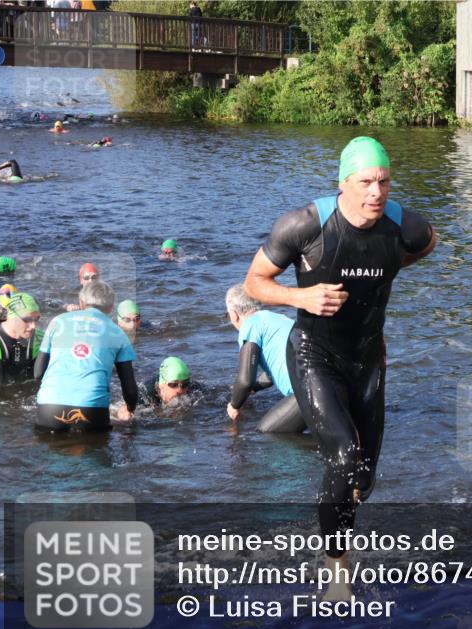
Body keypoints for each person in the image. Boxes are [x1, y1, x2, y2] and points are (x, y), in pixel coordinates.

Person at [244, 136, 436, 600]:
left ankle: (336, 515)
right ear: (343, 183)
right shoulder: (304, 225)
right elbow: (254, 282)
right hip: (314, 352)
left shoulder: (404, 226)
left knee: (363, 479)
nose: (377, 192)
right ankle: (337, 572)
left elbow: (428, 243)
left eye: (384, 182)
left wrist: (391, 267)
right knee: (345, 456)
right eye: (366, 182)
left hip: (368, 359)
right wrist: (299, 296)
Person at [35, 280, 138, 432]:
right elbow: (129, 388)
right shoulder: (118, 333)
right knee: (93, 452)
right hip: (92, 411)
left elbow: (38, 373)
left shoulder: (57, 322)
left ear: (81, 303)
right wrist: (130, 409)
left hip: (48, 407)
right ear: (110, 308)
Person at [225, 284, 304, 433]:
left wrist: (234, 406)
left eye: (227, 315)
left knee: (266, 433)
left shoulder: (249, 325)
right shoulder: (278, 318)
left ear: (234, 314)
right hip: (322, 382)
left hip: (304, 392)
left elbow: (245, 381)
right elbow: (274, 369)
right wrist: (255, 387)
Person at [0, 292, 44, 385]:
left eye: (36, 319)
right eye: (26, 319)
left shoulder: (41, 340)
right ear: (11, 316)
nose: (33, 326)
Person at [133, 356, 201, 410]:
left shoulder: (193, 388)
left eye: (185, 384)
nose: (180, 390)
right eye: (173, 385)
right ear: (161, 385)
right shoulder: (146, 393)